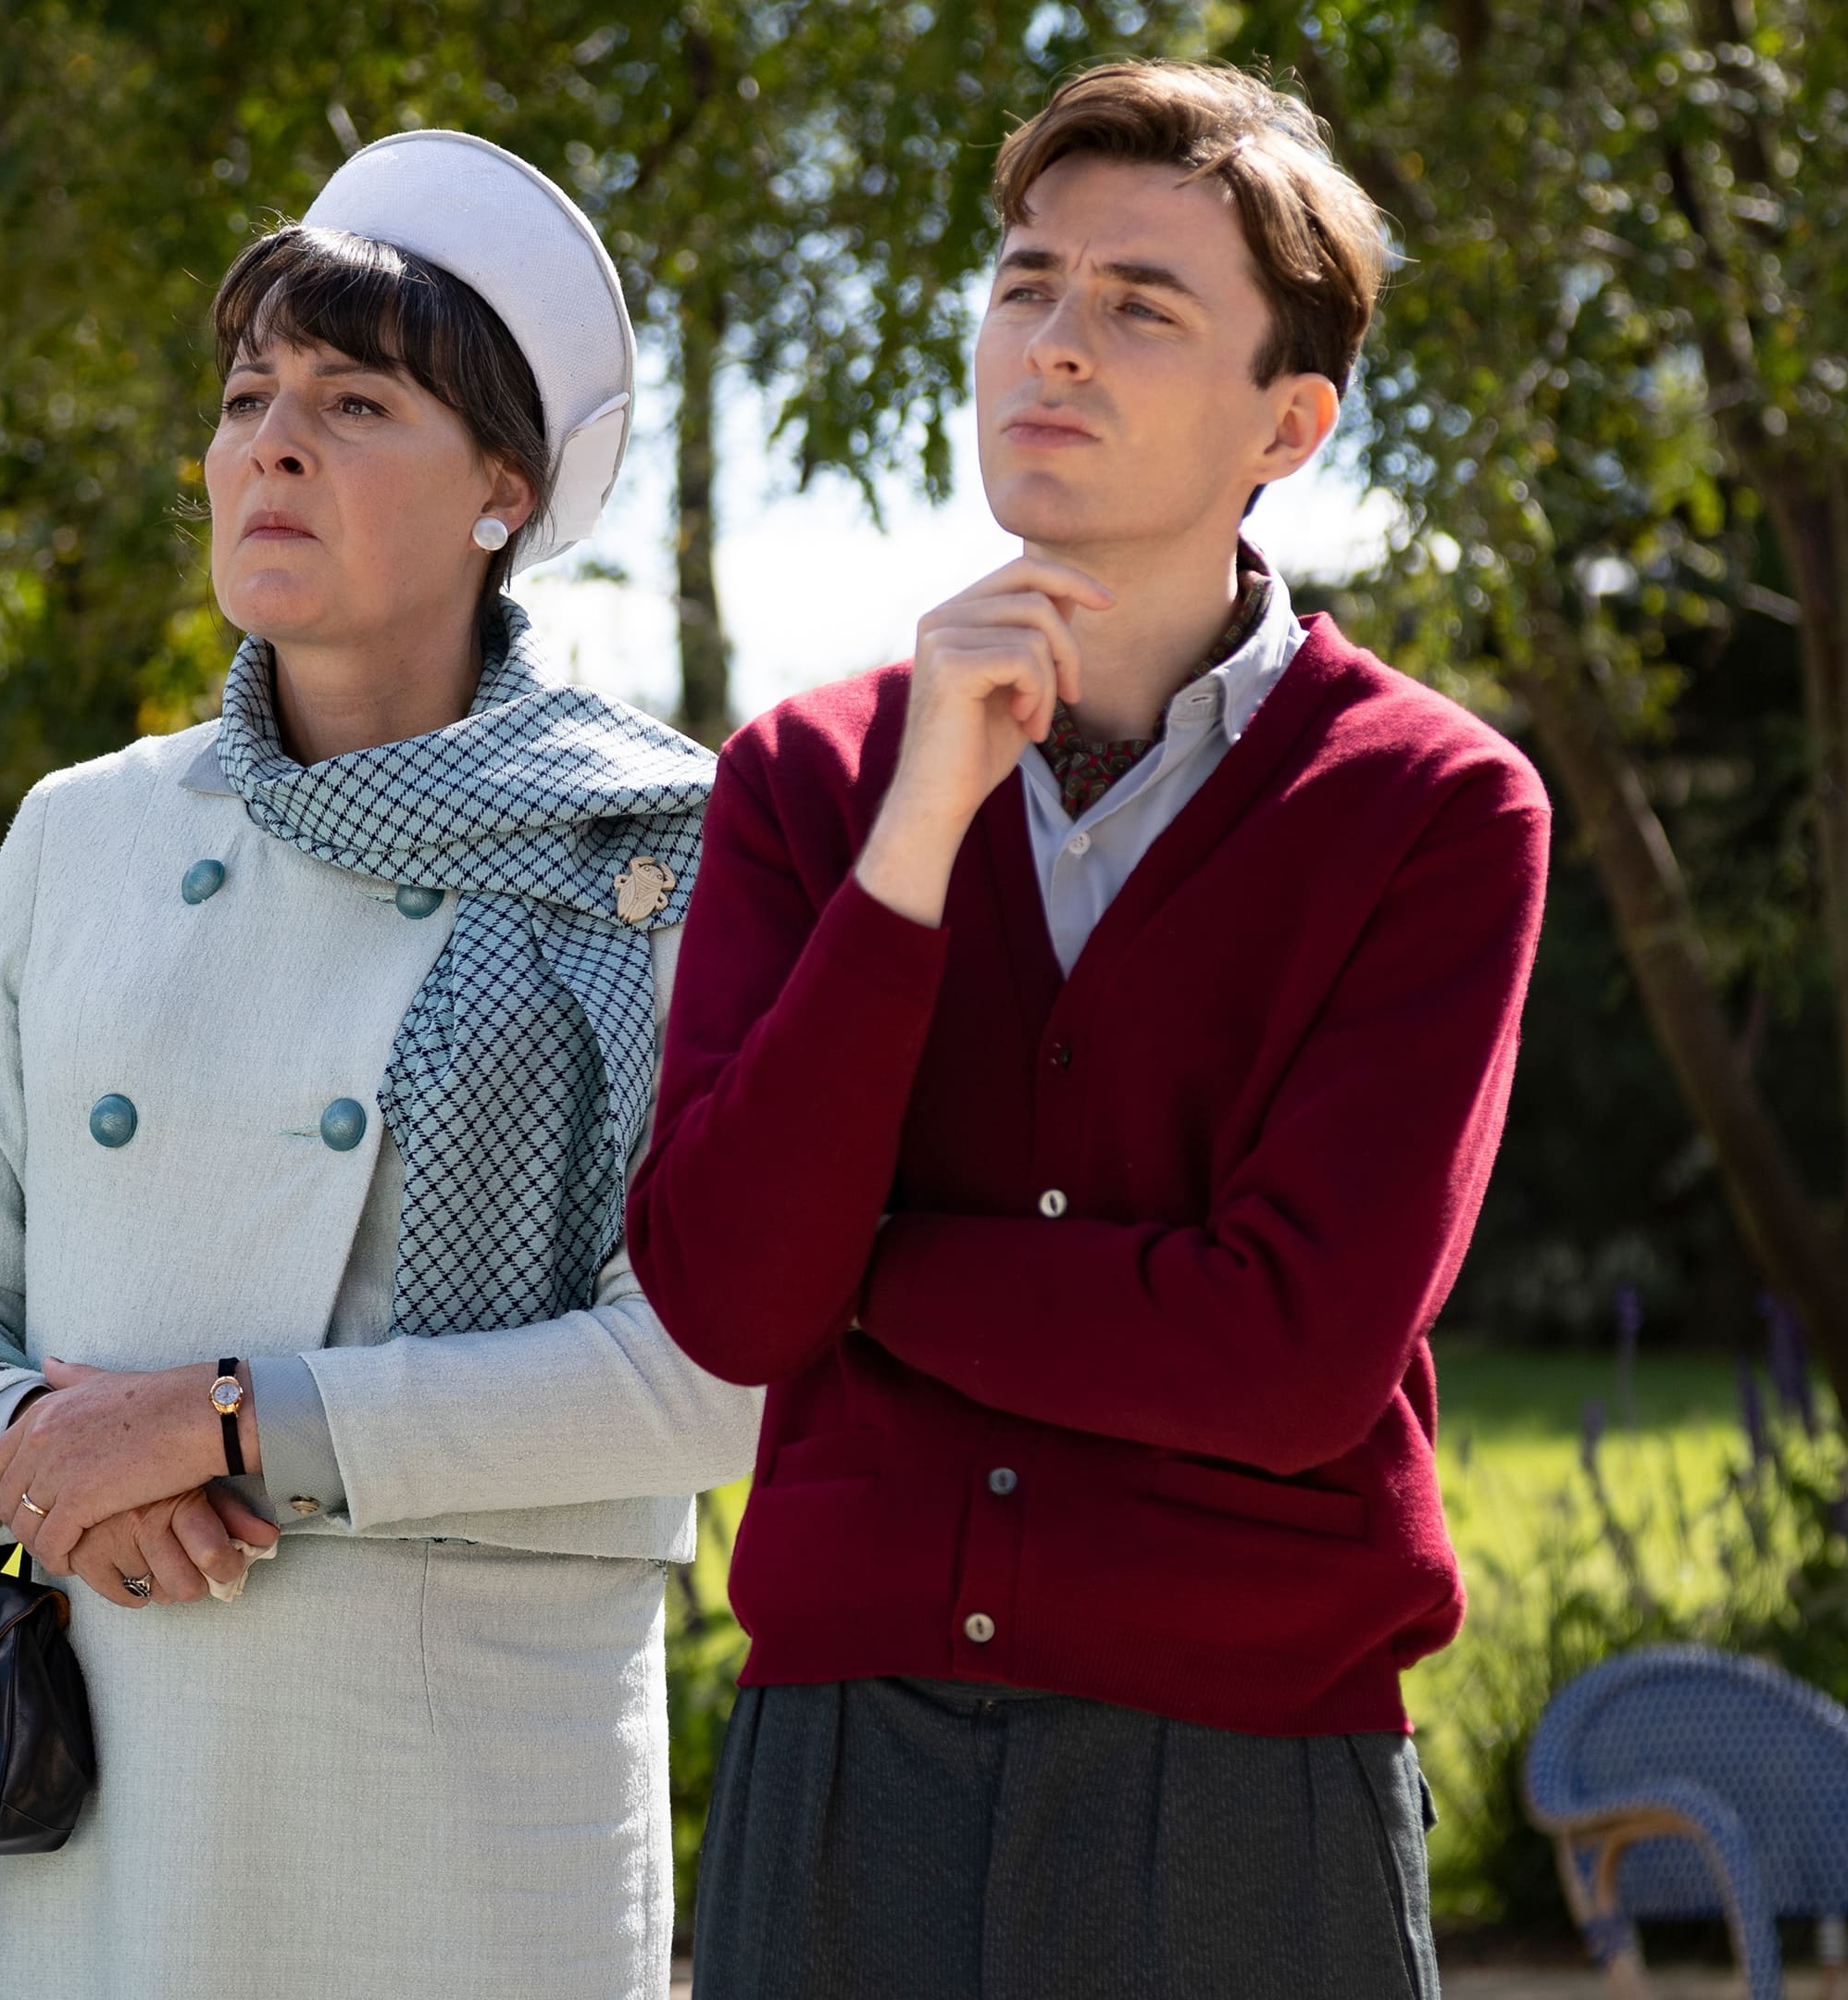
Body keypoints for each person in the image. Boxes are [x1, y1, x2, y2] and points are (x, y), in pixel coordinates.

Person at [629, 60, 1553, 2000]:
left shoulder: (1434, 809)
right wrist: (913, 841)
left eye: (1141, 305)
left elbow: (1292, 1356)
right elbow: (729, 1298)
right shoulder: (809, 781)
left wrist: (878, 1275)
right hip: (845, 1768)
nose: (1053, 342)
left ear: (1288, 421)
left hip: (1245, 1781)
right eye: (1027, 284)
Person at [0, 130, 758, 2000]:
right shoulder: (84, 834)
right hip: (110, 1767)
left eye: (353, 404)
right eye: (248, 396)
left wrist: (232, 1422)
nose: (269, 443)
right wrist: (27, 1452)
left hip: (470, 1793)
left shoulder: (665, 851)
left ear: (503, 489)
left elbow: (711, 1369)